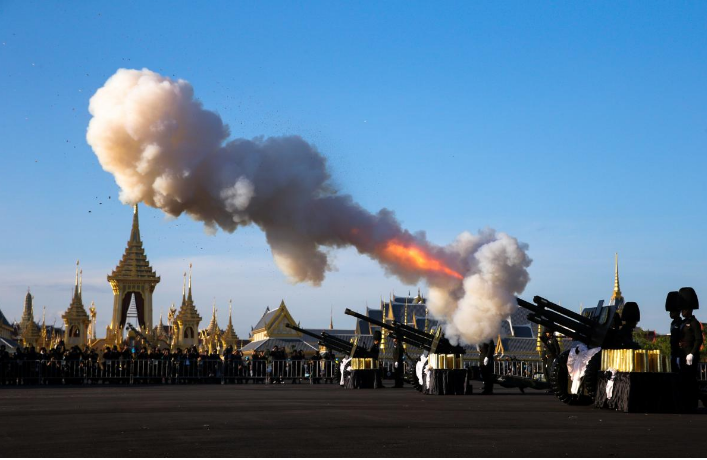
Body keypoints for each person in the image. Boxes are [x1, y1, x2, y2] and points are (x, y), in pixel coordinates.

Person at [677, 287, 703, 411]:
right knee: (684, 380)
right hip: (683, 355)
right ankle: (685, 402)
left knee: (691, 380)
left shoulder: (694, 323)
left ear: (690, 309)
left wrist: (692, 353)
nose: (683, 311)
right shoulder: (683, 323)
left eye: (685, 309)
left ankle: (692, 403)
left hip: (690, 356)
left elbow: (698, 340)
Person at [665, 291, 685, 373]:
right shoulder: (673, 324)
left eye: (672, 311)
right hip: (673, 353)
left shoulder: (680, 324)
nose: (670, 313)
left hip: (679, 355)